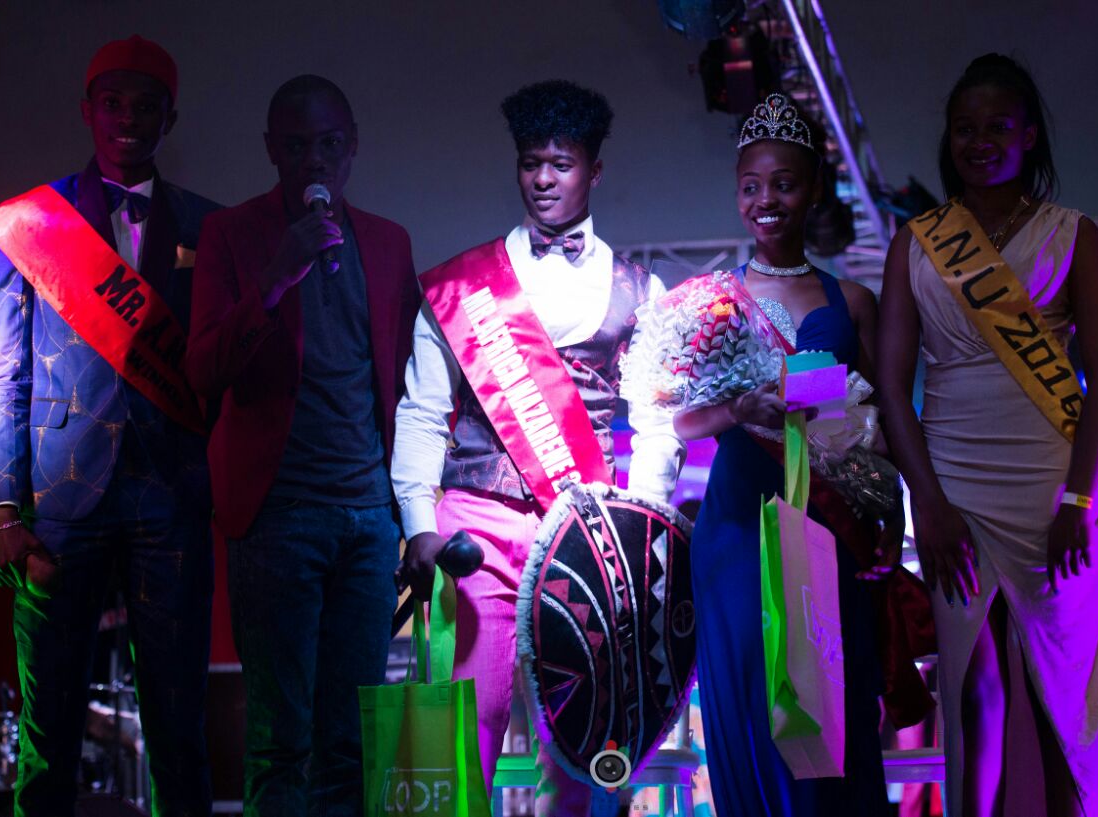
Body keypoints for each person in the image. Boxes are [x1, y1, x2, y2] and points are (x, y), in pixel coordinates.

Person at [391, 79, 684, 815]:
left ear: (595, 170)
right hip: (474, 527)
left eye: (562, 162)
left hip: (589, 535)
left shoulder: (639, 289)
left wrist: (639, 528)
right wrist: (419, 525)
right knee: (464, 727)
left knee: (584, 745)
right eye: (532, 162)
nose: (545, 178)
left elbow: (654, 423)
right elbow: (423, 411)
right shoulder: (462, 287)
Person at [876, 54, 1098, 817]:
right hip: (952, 487)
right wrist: (930, 502)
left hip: (1057, 494)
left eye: (997, 127)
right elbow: (891, 384)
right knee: (970, 690)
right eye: (964, 129)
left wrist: (1079, 497)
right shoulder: (918, 242)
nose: (979, 142)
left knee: (1070, 707)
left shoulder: (1073, 235)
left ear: (1029, 135)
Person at [0, 35, 216, 816]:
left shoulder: (210, 230)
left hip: (170, 504)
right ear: (88, 111)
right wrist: (3, 509)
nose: (128, 118)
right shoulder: (30, 224)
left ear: (169, 117)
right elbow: (1, 374)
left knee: (180, 729)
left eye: (146, 105)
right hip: (58, 507)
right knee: (48, 737)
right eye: (113, 102)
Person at [185, 75, 419, 816]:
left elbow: (413, 381)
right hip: (278, 515)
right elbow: (203, 370)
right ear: (271, 151)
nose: (313, 161)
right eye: (295, 146)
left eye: (327, 144)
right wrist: (278, 276)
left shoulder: (387, 241)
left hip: (368, 519)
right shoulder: (233, 235)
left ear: (351, 147)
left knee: (350, 740)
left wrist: (412, 512)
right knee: (279, 742)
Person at [672, 93, 894, 816]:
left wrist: (890, 514)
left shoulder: (853, 299)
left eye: (784, 183)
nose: (766, 200)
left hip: (826, 527)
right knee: (751, 715)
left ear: (813, 190)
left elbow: (882, 417)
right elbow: (680, 421)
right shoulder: (711, 300)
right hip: (737, 530)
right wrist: (739, 408)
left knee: (831, 716)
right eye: (750, 186)